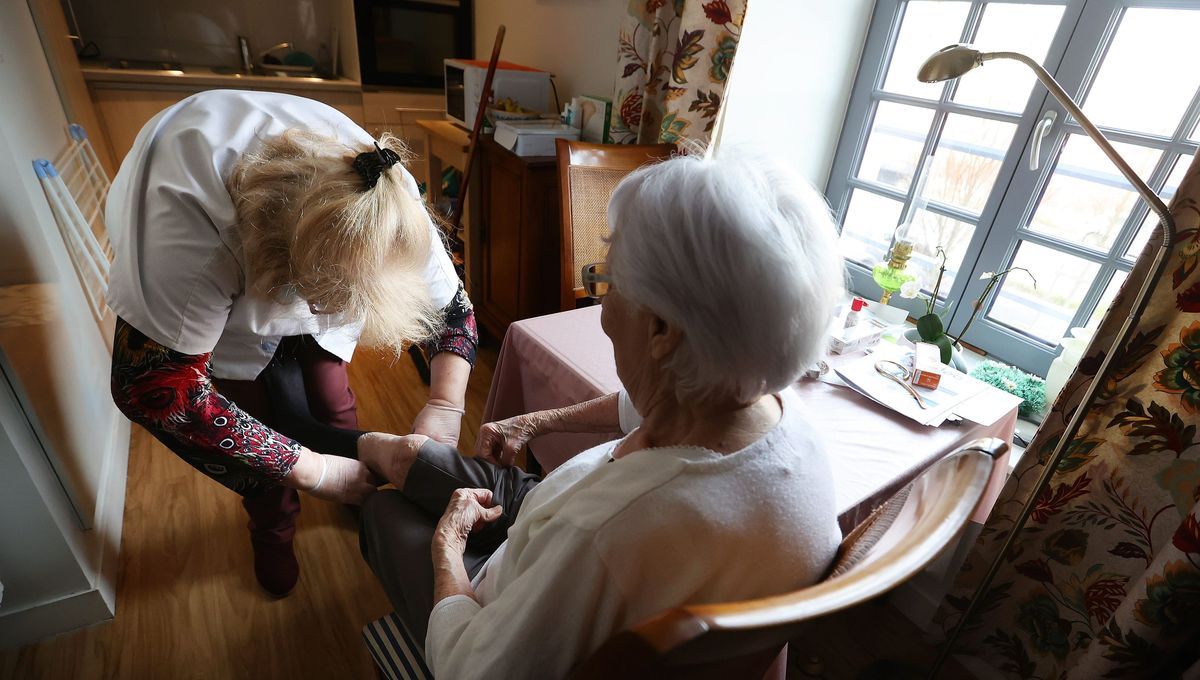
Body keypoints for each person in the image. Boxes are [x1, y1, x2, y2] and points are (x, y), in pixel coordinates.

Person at [357, 150, 847, 678]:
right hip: (549, 524)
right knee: (412, 460)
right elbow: (638, 408)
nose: (602, 310)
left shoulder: (603, 535)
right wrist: (535, 421)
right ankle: (362, 452)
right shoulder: (768, 411)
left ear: (662, 330)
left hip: (501, 604)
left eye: (610, 285)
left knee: (383, 511)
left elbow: (469, 669)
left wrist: (447, 547)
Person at [106, 89, 476, 597]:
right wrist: (315, 471)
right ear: (285, 271)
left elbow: (452, 308)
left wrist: (444, 404)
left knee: (330, 399)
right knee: (252, 420)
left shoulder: (384, 198)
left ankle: (359, 487)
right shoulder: (190, 228)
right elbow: (156, 388)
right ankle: (272, 527)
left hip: (317, 244)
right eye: (325, 301)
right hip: (221, 261)